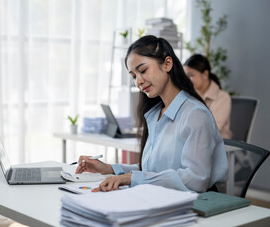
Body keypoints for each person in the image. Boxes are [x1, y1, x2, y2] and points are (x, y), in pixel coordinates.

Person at [75, 35, 228, 193]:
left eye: (143, 70)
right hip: (162, 198)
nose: (138, 81)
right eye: (134, 76)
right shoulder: (155, 114)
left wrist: (129, 178)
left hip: (194, 204)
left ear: (167, 64)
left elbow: (196, 180)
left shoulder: (195, 114)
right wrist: (108, 168)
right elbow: (154, 170)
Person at [183, 54, 232, 139]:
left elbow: (211, 131)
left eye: (191, 75)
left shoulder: (223, 97)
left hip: (218, 148)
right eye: (185, 76)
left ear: (205, 74)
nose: (187, 80)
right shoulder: (189, 96)